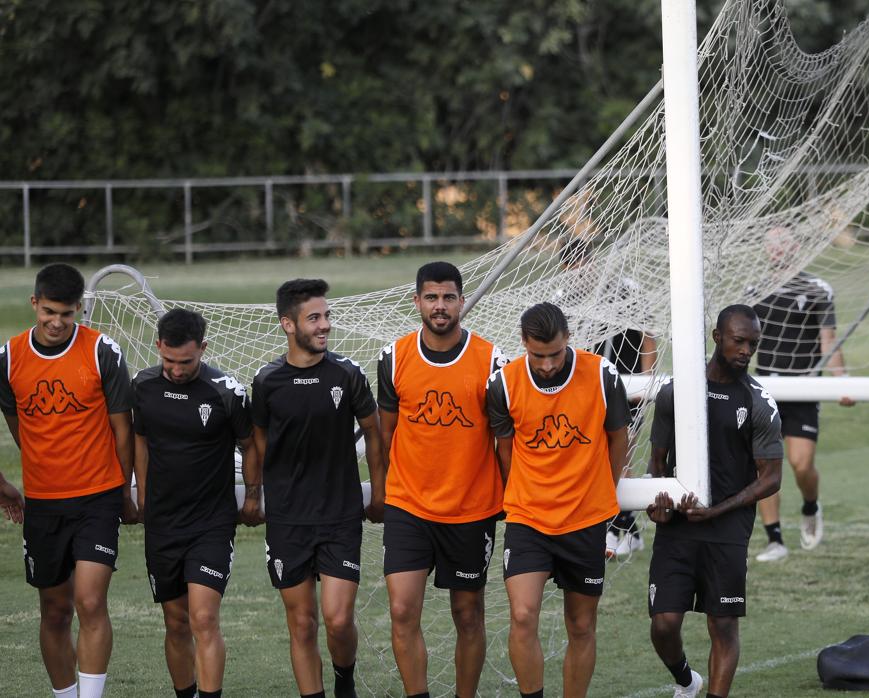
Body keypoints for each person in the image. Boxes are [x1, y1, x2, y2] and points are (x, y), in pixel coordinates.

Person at [0, 263, 137, 698]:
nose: (57, 322)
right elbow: (17, 424)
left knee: (90, 601)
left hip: (98, 498)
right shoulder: (8, 359)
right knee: (55, 611)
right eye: (50, 312)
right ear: (35, 303)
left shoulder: (102, 352)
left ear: (80, 307)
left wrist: (124, 489)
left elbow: (123, 430)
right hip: (43, 504)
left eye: (67, 313)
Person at [485, 302, 631, 698]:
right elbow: (505, 450)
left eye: (555, 354)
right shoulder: (504, 384)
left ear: (569, 340)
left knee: (581, 625)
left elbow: (619, 438)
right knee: (522, 614)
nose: (547, 364)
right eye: (538, 355)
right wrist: (523, 492)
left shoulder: (601, 375)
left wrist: (605, 488)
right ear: (523, 344)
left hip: (585, 519)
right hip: (528, 518)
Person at [375, 262, 506, 698]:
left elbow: (504, 437)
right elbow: (386, 433)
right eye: (431, 297)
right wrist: (385, 491)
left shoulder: (490, 360)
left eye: (448, 297)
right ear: (416, 302)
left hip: (470, 508)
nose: (440, 306)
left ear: (462, 301)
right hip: (409, 505)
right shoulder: (394, 358)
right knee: (401, 610)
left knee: (468, 615)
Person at [251, 279, 384, 698]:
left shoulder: (346, 374)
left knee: (338, 618)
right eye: (315, 318)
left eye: (327, 316)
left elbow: (374, 433)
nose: (325, 325)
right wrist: (255, 495)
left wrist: (379, 492)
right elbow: (256, 444)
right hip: (288, 519)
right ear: (288, 324)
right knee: (303, 624)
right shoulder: (267, 381)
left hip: (340, 515)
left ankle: (344, 682)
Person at [646, 304, 784, 698]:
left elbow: (772, 477)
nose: (746, 350)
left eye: (752, 344)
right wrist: (661, 502)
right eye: (739, 341)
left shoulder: (758, 402)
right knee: (664, 624)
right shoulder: (675, 392)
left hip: (727, 528)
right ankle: (687, 681)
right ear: (717, 337)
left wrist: (718, 509)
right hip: (677, 530)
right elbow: (658, 461)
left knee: (723, 626)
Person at [133, 308, 258, 698]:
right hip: (162, 523)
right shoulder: (142, 386)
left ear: (202, 349)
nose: (175, 368)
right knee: (175, 622)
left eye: (185, 361)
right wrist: (140, 496)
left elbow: (251, 445)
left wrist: (253, 496)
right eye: (168, 359)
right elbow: (139, 440)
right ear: (158, 347)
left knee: (203, 617)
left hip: (211, 523)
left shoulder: (226, 391)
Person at [555, 238, 658, 559]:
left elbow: (648, 336)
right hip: (589, 390)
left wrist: (645, 380)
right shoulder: (563, 299)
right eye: (573, 269)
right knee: (601, 460)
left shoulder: (626, 289)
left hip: (628, 388)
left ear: (593, 263)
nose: (580, 274)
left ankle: (617, 531)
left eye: (584, 265)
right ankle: (629, 530)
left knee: (621, 457)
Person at [752, 226, 849, 562]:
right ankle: (774, 540)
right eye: (772, 243)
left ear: (797, 246)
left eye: (784, 242)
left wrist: (841, 381)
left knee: (800, 464)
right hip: (766, 392)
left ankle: (810, 505)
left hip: (805, 389)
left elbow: (828, 340)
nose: (778, 248)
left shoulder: (818, 288)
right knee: (765, 465)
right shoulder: (754, 290)